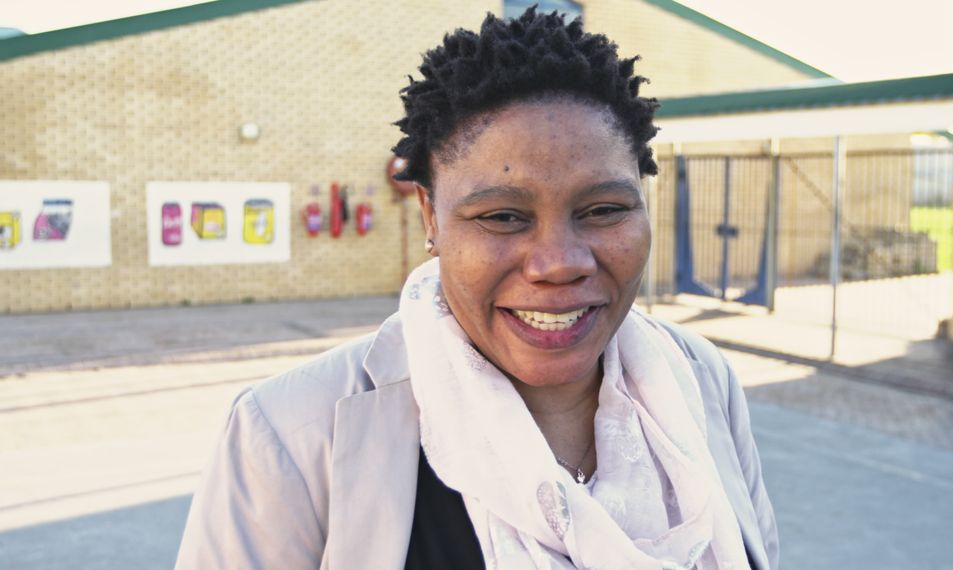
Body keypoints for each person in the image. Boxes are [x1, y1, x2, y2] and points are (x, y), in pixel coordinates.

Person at [175, 7, 777, 570]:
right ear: (431, 217)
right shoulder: (292, 435)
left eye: (602, 210)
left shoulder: (700, 379)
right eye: (503, 217)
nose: (558, 264)